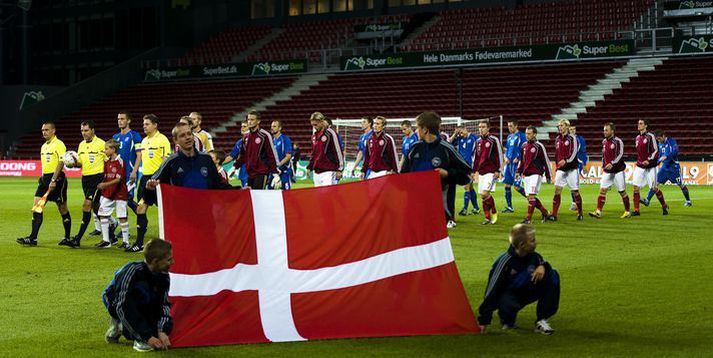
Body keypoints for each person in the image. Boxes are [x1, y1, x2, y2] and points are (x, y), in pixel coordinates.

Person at [477, 223, 560, 335]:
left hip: (526, 290)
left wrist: (543, 266)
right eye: (532, 240)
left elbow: (542, 262)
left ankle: (542, 320)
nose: (536, 242)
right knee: (508, 314)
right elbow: (491, 290)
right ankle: (506, 317)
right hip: (508, 297)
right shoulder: (505, 262)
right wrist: (484, 319)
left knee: (552, 275)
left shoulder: (534, 256)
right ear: (522, 245)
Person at [401, 112, 471, 229]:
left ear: (425, 130)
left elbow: (465, 175)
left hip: (442, 215)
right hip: (417, 211)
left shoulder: (447, 149)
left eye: (418, 127)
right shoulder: (414, 148)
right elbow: (404, 176)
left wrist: (447, 174)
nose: (416, 131)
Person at [103, 238, 174, 352]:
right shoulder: (131, 271)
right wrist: (146, 337)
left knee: (152, 314)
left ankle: (132, 329)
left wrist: (162, 330)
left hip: (140, 300)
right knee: (139, 302)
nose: (172, 262)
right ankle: (120, 325)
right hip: (115, 301)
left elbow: (164, 304)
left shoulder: (164, 275)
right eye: (169, 260)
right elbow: (123, 306)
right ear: (155, 261)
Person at [16, 121, 72, 246]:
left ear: (53, 131)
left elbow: (61, 162)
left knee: (62, 208)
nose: (44, 132)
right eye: (42, 130)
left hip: (57, 179)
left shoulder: (59, 144)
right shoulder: (44, 146)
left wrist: (53, 180)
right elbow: (45, 164)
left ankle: (67, 238)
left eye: (46, 130)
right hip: (44, 179)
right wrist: (42, 177)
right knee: (37, 207)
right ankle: (33, 238)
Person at [128, 114, 171, 253]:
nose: (144, 126)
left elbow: (166, 161)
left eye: (147, 124)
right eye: (143, 124)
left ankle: (172, 239)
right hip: (145, 179)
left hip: (159, 180)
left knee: (166, 212)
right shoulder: (144, 141)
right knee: (141, 208)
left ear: (155, 125)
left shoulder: (163, 140)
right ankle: (139, 243)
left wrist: (160, 178)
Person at [146, 122, 230, 191]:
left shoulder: (206, 159)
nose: (187, 138)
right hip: (182, 209)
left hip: (205, 208)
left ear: (193, 136)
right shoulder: (171, 162)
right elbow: (153, 183)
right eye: (182, 135)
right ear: (175, 140)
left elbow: (217, 185)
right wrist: (150, 186)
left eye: (189, 134)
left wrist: (238, 191)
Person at [64, 120, 106, 248]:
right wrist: (72, 163)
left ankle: (77, 239)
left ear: (93, 130)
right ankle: (111, 233)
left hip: (97, 178)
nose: (84, 133)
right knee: (95, 207)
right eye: (82, 131)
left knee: (86, 205)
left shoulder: (101, 144)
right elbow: (81, 163)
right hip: (85, 179)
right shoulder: (81, 145)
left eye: (86, 130)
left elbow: (108, 161)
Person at [588, 123, 631, 219]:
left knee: (622, 192)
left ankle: (627, 211)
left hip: (618, 171)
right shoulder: (604, 142)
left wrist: (612, 163)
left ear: (612, 131)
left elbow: (620, 154)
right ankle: (598, 211)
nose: (604, 132)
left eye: (606, 130)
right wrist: (604, 165)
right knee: (602, 190)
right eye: (604, 130)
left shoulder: (618, 141)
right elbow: (603, 155)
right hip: (608, 171)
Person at [95, 139, 131, 249]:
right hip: (108, 193)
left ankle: (126, 242)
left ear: (113, 149)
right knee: (102, 214)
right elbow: (106, 176)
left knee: (122, 217)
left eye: (106, 149)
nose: (104, 150)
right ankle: (106, 241)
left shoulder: (120, 161)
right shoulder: (107, 162)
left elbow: (118, 179)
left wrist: (104, 185)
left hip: (120, 192)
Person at [642, 131, 691, 207]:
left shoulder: (671, 141)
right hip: (664, 168)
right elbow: (660, 156)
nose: (658, 141)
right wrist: (655, 163)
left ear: (663, 136)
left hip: (674, 168)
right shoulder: (660, 143)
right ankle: (647, 200)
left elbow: (675, 151)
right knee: (654, 184)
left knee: (681, 185)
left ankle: (688, 201)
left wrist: (667, 156)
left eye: (659, 139)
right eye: (657, 139)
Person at [232, 110, 280, 189]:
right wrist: (235, 166)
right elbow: (243, 155)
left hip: (261, 172)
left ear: (258, 121)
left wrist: (275, 173)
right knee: (250, 198)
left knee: (259, 197)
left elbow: (271, 154)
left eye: (252, 120)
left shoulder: (264, 135)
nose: (249, 122)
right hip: (249, 173)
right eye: (248, 119)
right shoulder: (246, 137)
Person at [515, 126, 552, 224]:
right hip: (526, 175)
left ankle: (528, 219)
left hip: (536, 173)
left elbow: (546, 161)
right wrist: (518, 171)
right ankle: (545, 212)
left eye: (529, 133)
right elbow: (522, 161)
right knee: (530, 198)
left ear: (534, 134)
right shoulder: (523, 146)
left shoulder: (539, 146)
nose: (527, 135)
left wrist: (548, 175)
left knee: (531, 196)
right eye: (526, 133)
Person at [632, 119, 668, 216]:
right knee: (635, 188)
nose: (639, 125)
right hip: (640, 166)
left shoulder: (651, 136)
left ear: (646, 126)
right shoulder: (637, 138)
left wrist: (649, 160)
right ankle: (636, 210)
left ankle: (664, 206)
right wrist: (640, 161)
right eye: (638, 123)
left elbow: (656, 151)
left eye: (641, 123)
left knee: (654, 188)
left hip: (651, 166)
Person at [549, 119, 583, 221]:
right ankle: (554, 214)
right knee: (557, 191)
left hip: (571, 168)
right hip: (561, 169)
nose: (560, 127)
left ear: (567, 127)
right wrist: (557, 165)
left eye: (562, 125)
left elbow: (574, 153)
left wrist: (566, 160)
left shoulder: (573, 138)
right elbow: (556, 154)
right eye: (559, 125)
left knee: (575, 191)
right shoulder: (557, 139)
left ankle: (580, 213)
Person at [472, 119, 504, 225]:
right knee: (482, 196)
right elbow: (476, 158)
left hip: (491, 171)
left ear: (488, 128)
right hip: (481, 172)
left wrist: (499, 170)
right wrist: (473, 171)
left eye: (483, 127)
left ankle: (494, 211)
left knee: (485, 193)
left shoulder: (494, 140)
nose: (481, 129)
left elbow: (500, 155)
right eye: (479, 127)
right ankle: (487, 218)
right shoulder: (477, 142)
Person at [112, 111, 143, 215]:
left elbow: (139, 155)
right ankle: (125, 228)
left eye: (122, 119)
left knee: (127, 199)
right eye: (118, 119)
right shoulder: (115, 137)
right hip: (118, 174)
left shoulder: (135, 136)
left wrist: (134, 172)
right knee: (121, 201)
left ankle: (141, 216)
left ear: (128, 120)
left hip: (130, 172)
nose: (120, 121)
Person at [449, 125, 480, 216]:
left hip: (470, 166)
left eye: (461, 132)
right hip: (461, 165)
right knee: (470, 187)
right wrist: (455, 133)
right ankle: (476, 208)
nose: (461, 134)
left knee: (466, 186)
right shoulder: (459, 138)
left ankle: (465, 209)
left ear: (465, 129)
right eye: (459, 132)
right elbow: (450, 142)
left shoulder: (474, 138)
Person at [307, 112, 344, 187]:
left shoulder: (330, 133)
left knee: (329, 197)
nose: (314, 127)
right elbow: (314, 153)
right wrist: (309, 167)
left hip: (329, 171)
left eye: (316, 125)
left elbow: (338, 151)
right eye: (312, 125)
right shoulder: (314, 136)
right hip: (316, 171)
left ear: (321, 122)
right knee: (319, 197)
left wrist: (340, 169)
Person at [502, 120, 528, 213]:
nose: (509, 128)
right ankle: (510, 207)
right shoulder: (509, 137)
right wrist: (505, 157)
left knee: (517, 187)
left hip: (518, 164)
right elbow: (507, 149)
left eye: (511, 126)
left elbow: (525, 148)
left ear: (516, 126)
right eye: (508, 126)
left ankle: (530, 198)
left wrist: (519, 157)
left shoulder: (521, 136)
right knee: (507, 185)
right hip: (509, 164)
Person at [269, 120, 294, 189]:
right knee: (269, 193)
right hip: (273, 172)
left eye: (274, 126)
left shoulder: (285, 139)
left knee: (286, 194)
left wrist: (279, 164)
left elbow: (288, 156)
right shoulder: (271, 140)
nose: (272, 128)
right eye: (271, 126)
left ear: (279, 128)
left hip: (284, 171)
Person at [569, 125, 587, 212]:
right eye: (570, 129)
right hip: (568, 164)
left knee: (574, 185)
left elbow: (583, 151)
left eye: (573, 129)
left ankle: (575, 203)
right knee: (571, 184)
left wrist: (584, 164)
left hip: (577, 163)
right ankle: (575, 203)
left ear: (575, 130)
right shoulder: (566, 139)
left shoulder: (580, 139)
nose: (572, 130)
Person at [225, 122, 249, 187]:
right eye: (241, 126)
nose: (242, 128)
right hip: (243, 171)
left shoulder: (253, 140)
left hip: (250, 171)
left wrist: (235, 166)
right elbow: (231, 156)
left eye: (244, 126)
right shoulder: (239, 142)